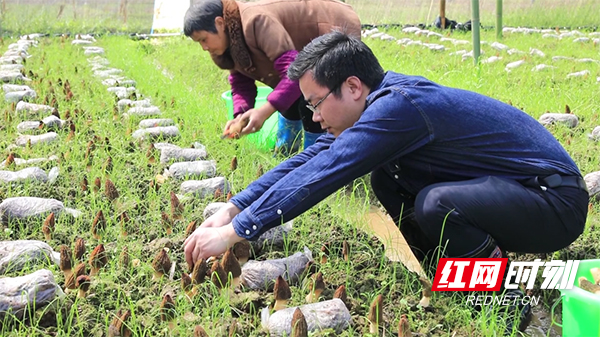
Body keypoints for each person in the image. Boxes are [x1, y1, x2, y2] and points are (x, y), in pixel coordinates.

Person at [184, 31, 589, 334]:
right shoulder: (378, 107)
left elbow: (324, 175)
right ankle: (454, 278)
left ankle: (507, 305)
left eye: (316, 104)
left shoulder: (398, 110)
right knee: (387, 178)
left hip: (554, 201)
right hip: (516, 192)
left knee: (437, 204)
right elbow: (308, 160)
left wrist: (238, 231)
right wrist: (232, 209)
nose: (316, 118)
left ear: (354, 87)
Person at [183, 0, 361, 154]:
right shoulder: (229, 40)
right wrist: (241, 116)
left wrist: (264, 111)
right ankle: (285, 151)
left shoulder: (256, 21)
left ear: (220, 23)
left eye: (203, 39)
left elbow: (293, 73)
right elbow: (241, 80)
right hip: (298, 54)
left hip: (331, 24)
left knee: (315, 100)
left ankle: (317, 157)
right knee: (287, 94)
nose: (204, 47)